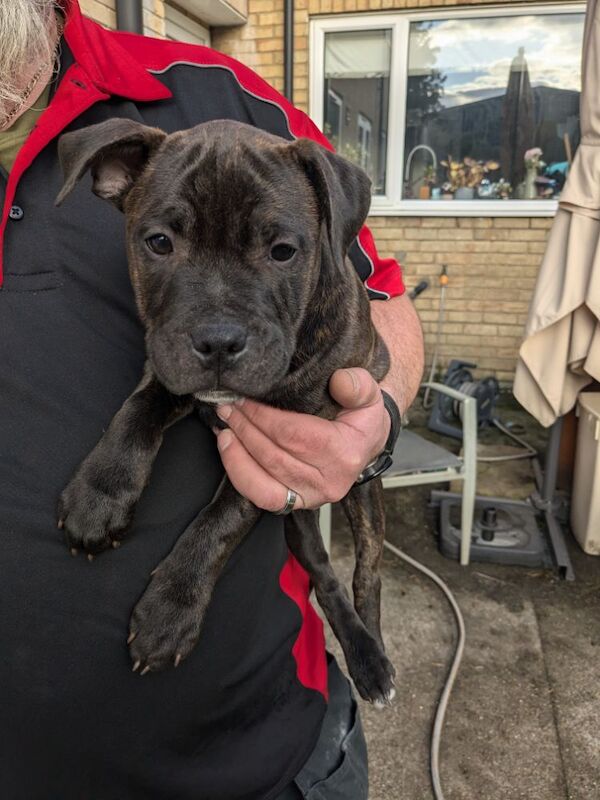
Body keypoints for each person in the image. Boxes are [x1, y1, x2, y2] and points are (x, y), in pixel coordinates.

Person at [0, 1, 424, 798]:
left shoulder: (222, 103)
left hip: (256, 759)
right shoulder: (139, 163)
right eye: (164, 243)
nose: (220, 324)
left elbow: (387, 301)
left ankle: (358, 618)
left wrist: (375, 422)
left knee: (342, 538)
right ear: (111, 181)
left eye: (278, 248)